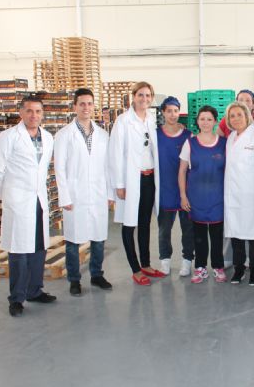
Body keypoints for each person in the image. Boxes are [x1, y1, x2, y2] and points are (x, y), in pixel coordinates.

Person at [0, 95, 56, 317]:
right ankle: (17, 298)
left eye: (38, 111)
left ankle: (34, 290)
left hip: (39, 200)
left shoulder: (47, 137)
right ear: (21, 113)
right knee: (19, 251)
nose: (33, 115)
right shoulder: (8, 137)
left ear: (42, 114)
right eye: (29, 111)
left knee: (39, 247)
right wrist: (7, 196)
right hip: (18, 201)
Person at [54, 88, 114, 296]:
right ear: (75, 106)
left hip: (98, 193)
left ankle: (96, 275)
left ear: (93, 106)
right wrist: (64, 196)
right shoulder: (64, 135)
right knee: (73, 240)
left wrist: (109, 194)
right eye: (82, 104)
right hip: (75, 194)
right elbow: (59, 168)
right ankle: (74, 279)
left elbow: (108, 167)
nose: (86, 107)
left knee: (99, 237)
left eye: (89, 104)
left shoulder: (103, 135)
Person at [108, 81, 162, 286]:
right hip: (131, 179)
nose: (144, 99)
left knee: (145, 222)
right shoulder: (123, 121)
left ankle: (146, 264)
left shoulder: (151, 120)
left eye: (148, 95)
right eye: (141, 95)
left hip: (149, 178)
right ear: (134, 97)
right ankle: (135, 269)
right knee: (129, 223)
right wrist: (119, 184)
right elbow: (115, 154)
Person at [179, 105, 228, 284]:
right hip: (196, 197)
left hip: (218, 196)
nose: (205, 122)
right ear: (197, 121)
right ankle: (200, 268)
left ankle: (218, 266)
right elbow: (182, 170)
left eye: (209, 119)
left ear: (215, 122)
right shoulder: (190, 143)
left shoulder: (224, 143)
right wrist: (183, 195)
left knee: (217, 235)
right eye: (202, 119)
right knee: (198, 235)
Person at [223, 101, 254, 285]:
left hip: (252, 195)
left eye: (239, 114)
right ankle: (239, 269)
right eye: (232, 116)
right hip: (232, 195)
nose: (236, 119)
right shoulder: (231, 138)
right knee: (236, 234)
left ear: (247, 116)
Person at [156, 96, 195, 277]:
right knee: (164, 230)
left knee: (188, 229)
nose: (173, 114)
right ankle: (165, 260)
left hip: (185, 190)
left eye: (176, 111)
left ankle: (187, 261)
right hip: (164, 189)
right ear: (163, 112)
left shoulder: (188, 136)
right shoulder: (156, 135)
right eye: (169, 111)